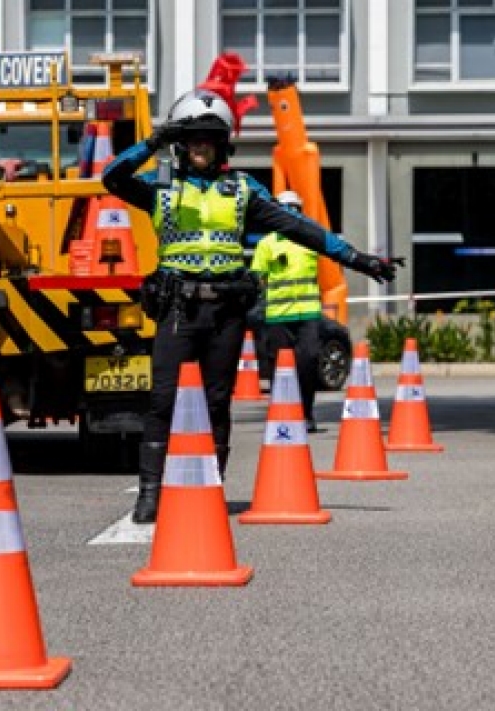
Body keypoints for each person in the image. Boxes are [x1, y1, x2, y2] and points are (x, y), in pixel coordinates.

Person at [102, 88, 401, 523]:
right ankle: (149, 494)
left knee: (217, 402)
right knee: (162, 401)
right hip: (177, 310)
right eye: (193, 138)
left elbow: (302, 229)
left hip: (225, 313)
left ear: (222, 145)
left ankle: (210, 488)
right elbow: (111, 177)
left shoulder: (242, 190)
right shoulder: (160, 186)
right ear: (182, 143)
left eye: (209, 138)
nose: (201, 146)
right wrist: (153, 142)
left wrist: (357, 258)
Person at [249, 190, 324, 433]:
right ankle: (281, 413)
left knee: (309, 363)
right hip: (278, 315)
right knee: (279, 368)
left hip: (308, 314)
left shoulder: (311, 239)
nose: (291, 212)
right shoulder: (267, 244)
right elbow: (258, 278)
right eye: (286, 208)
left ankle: (306, 413)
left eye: (295, 208)